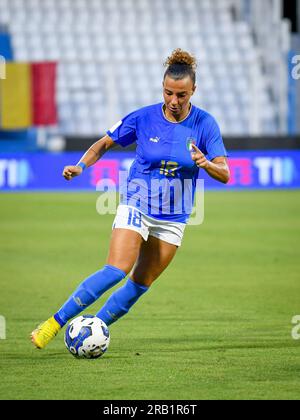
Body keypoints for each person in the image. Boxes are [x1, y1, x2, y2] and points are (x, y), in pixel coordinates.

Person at [31, 49, 230, 349]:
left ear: (193, 91)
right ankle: (53, 324)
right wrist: (81, 166)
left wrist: (206, 163)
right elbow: (105, 143)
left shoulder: (205, 124)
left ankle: (91, 331)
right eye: (168, 93)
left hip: (174, 218)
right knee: (116, 270)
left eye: (181, 95)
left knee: (140, 284)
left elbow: (225, 173)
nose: (174, 101)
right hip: (137, 204)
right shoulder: (143, 117)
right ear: (162, 88)